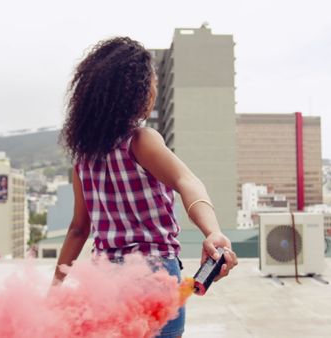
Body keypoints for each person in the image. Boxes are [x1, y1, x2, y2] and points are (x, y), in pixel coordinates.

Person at [52, 37, 238, 338]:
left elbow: (77, 229)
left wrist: (56, 288)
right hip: (153, 276)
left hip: (105, 280)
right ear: (135, 92)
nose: (154, 87)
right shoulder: (140, 140)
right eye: (151, 81)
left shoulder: (82, 159)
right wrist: (212, 231)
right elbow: (186, 180)